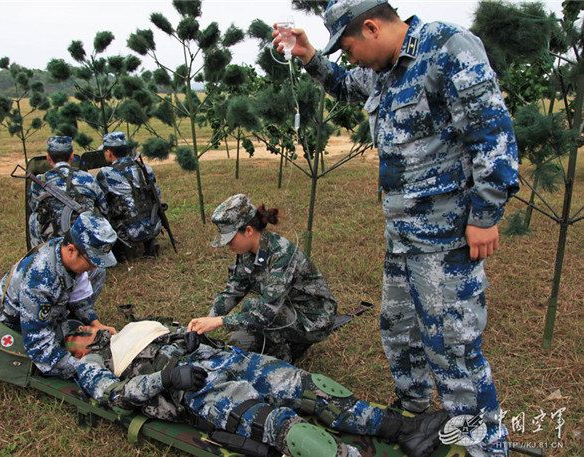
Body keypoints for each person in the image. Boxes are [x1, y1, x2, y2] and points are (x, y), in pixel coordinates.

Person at [273, 1, 519, 456]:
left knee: (452, 350)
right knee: (399, 330)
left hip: (445, 238)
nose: (352, 60)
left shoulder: (447, 48)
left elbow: (493, 133)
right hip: (402, 236)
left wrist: (485, 216)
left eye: (349, 48)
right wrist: (309, 56)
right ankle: (413, 413)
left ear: (371, 27)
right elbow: (345, 85)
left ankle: (487, 447)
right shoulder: (383, 68)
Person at [66, 320, 450, 457]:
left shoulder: (129, 328)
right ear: (76, 349)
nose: (90, 326)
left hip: (218, 358)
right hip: (190, 388)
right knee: (278, 425)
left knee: (307, 387)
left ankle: (405, 430)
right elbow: (116, 397)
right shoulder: (93, 364)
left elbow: (176, 335)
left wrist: (188, 338)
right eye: (80, 332)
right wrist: (165, 380)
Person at [187, 194, 338, 364]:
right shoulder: (247, 252)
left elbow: (265, 314)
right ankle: (284, 341)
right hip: (286, 307)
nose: (228, 245)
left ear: (248, 231)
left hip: (313, 320)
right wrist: (206, 323)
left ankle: (285, 356)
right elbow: (234, 290)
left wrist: (218, 322)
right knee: (239, 341)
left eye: (230, 239)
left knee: (253, 309)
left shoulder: (282, 255)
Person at [0, 211, 118, 379]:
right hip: (19, 323)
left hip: (50, 309)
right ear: (71, 250)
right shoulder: (40, 281)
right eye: (90, 261)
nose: (93, 266)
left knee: (98, 272)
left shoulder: (66, 252)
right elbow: (38, 346)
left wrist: (96, 324)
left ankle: (66, 331)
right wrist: (84, 369)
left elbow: (80, 300)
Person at [28, 136, 108, 247]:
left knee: (33, 217)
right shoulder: (89, 178)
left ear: (48, 157)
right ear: (72, 156)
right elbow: (104, 208)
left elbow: (33, 206)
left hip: (53, 239)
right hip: (86, 238)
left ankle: (40, 251)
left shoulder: (40, 180)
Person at [96, 132, 163, 261]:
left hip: (128, 231)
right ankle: (148, 241)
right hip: (154, 225)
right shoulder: (145, 168)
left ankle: (119, 250)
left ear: (108, 152)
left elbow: (103, 206)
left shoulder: (106, 173)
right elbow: (157, 194)